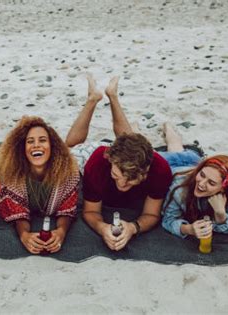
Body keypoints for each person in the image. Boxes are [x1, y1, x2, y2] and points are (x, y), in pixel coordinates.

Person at [66, 74, 172, 251]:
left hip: (131, 155)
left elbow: (151, 214)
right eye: (116, 176)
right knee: (68, 147)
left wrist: (133, 228)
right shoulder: (99, 162)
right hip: (90, 155)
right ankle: (93, 98)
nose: (122, 184)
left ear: (145, 171)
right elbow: (91, 211)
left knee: (131, 139)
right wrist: (102, 228)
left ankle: (112, 95)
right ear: (110, 161)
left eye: (130, 180)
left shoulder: (160, 169)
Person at [0, 116, 80, 255]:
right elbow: (17, 212)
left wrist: (61, 231)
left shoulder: (68, 173)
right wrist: (24, 235)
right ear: (22, 148)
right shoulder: (10, 176)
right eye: (30, 141)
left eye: (42, 140)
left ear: (53, 146)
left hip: (80, 156)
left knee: (76, 146)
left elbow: (67, 209)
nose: (36, 145)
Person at [160, 122, 228, 239]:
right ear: (200, 168)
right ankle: (142, 128)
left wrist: (220, 214)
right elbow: (168, 220)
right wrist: (188, 229)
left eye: (211, 183)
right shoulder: (179, 187)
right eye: (202, 175)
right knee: (143, 151)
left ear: (224, 187)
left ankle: (168, 127)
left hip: (190, 162)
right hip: (171, 165)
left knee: (175, 146)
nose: (201, 184)